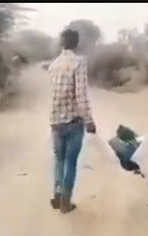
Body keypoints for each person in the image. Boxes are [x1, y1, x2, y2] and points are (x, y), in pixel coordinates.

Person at [48, 29, 97, 214]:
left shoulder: (54, 65)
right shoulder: (79, 62)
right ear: (76, 43)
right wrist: (89, 120)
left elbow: (55, 95)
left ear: (61, 43)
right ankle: (66, 202)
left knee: (58, 160)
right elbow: (81, 96)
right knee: (70, 162)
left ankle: (57, 193)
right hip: (74, 121)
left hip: (55, 121)